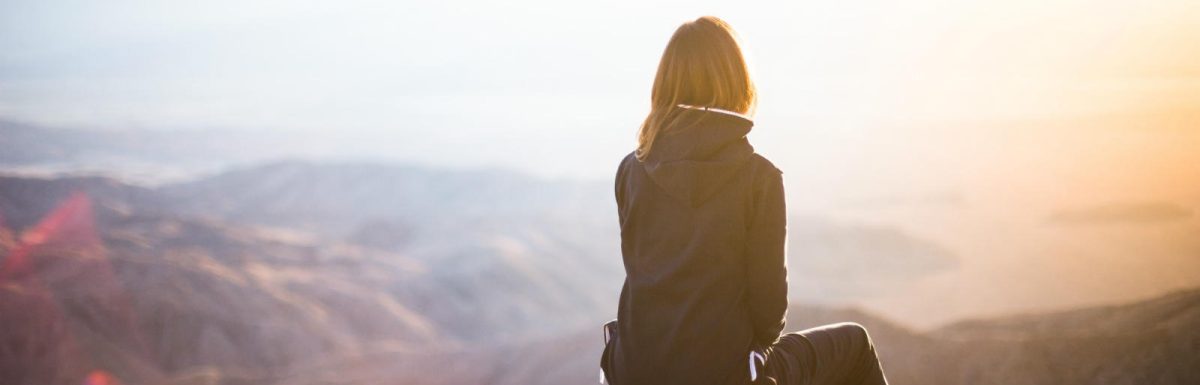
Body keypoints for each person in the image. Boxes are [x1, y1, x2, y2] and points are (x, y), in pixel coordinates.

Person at [600, 16, 890, 385]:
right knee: (855, 343)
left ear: (665, 84)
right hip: (725, 375)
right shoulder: (759, 179)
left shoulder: (631, 170)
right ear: (736, 82)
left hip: (632, 373)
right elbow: (770, 314)